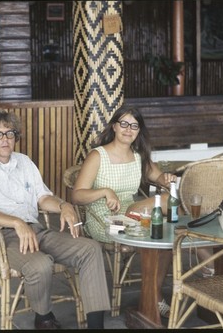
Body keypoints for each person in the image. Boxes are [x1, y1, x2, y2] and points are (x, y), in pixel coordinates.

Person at [0, 110, 111, 329]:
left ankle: (96, 326)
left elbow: (43, 197)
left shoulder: (24, 162)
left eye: (10, 133)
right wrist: (16, 222)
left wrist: (63, 205)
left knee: (90, 248)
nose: (5, 139)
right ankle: (43, 316)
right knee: (40, 264)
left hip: (35, 230)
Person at [71, 105, 176, 318]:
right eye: (124, 124)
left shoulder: (138, 156)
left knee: (165, 241)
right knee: (159, 217)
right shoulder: (98, 155)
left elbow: (160, 178)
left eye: (134, 126)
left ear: (139, 131)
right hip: (105, 222)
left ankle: (152, 295)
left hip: (133, 216)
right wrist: (104, 191)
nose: (128, 129)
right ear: (114, 126)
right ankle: (153, 299)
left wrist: (168, 179)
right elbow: (77, 195)